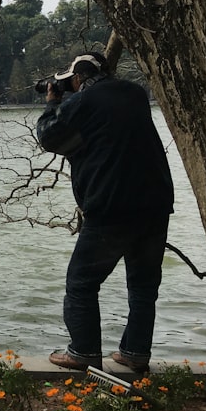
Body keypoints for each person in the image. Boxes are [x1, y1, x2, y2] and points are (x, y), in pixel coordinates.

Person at [36, 51, 174, 373]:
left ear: (79, 79)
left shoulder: (83, 103)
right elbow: (106, 133)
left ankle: (83, 353)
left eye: (71, 81)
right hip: (155, 205)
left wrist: (52, 101)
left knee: (81, 282)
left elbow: (48, 135)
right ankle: (135, 354)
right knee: (143, 286)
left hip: (112, 207)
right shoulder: (135, 95)